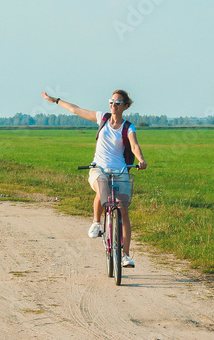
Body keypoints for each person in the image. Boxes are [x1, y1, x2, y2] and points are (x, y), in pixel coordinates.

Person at [41, 89, 147, 268]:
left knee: (123, 209)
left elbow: (134, 145)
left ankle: (125, 256)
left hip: (120, 170)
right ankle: (97, 223)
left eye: (118, 103)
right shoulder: (102, 118)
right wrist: (56, 100)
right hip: (98, 168)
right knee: (102, 185)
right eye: (111, 101)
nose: (113, 105)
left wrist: (141, 160)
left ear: (125, 106)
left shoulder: (128, 127)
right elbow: (76, 110)